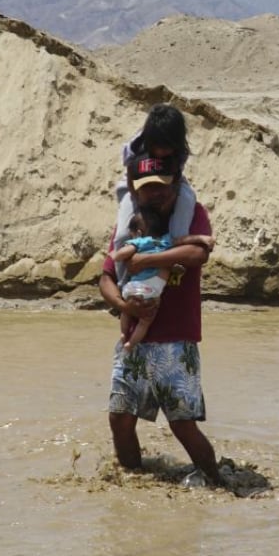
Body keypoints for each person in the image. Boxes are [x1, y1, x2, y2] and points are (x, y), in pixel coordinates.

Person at [100, 149, 225, 487]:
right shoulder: (132, 223)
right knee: (120, 419)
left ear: (175, 185)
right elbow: (106, 277)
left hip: (177, 342)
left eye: (162, 187)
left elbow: (198, 253)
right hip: (134, 342)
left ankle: (216, 482)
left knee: (182, 423)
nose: (154, 194)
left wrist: (146, 261)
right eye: (146, 187)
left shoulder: (191, 215)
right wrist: (126, 308)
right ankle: (132, 480)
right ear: (135, 189)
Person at [110, 203, 215, 352]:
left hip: (132, 288)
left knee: (127, 311)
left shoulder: (139, 242)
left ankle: (124, 334)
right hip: (152, 290)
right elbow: (183, 240)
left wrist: (117, 255)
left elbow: (122, 255)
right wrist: (202, 238)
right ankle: (131, 344)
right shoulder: (165, 241)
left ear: (138, 233)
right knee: (145, 322)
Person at [114, 103, 197, 248]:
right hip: (137, 182)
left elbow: (176, 177)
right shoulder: (136, 146)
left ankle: (174, 256)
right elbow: (130, 174)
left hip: (168, 180)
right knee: (122, 236)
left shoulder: (180, 153)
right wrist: (139, 201)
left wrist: (169, 201)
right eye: (158, 147)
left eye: (167, 147)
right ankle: (123, 270)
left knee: (187, 201)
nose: (162, 152)